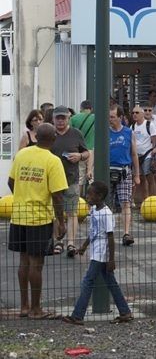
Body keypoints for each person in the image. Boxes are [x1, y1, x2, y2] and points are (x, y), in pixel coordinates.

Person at [7, 123, 67, 319]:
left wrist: (23, 195)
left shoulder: (22, 154)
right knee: (36, 264)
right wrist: (61, 221)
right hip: (39, 218)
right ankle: (35, 309)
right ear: (54, 139)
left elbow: (11, 181)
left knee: (23, 261)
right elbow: (58, 195)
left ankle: (24, 306)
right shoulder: (53, 161)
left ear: (36, 137)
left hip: (18, 215)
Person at [62, 181, 133, 325]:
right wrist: (84, 246)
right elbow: (93, 231)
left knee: (88, 281)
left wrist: (111, 259)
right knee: (110, 282)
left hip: (102, 253)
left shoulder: (106, 214)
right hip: (96, 251)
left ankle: (77, 315)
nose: (87, 196)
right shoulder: (94, 209)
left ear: (99, 196)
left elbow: (110, 237)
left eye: (90, 194)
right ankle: (125, 312)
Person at [50, 105, 90, 257]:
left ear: (68, 119)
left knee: (72, 212)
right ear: (53, 119)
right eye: (57, 118)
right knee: (54, 212)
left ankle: (71, 243)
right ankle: (57, 241)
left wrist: (79, 157)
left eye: (63, 118)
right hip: (52, 180)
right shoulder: (49, 133)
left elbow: (86, 152)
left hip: (71, 178)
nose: (60, 121)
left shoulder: (76, 133)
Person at [108, 105, 142, 246]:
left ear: (120, 117)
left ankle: (126, 233)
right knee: (107, 204)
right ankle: (107, 232)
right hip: (108, 169)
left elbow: (134, 154)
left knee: (126, 202)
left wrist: (137, 174)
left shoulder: (129, 133)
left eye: (113, 117)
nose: (110, 120)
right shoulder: (105, 133)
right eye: (109, 117)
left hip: (124, 170)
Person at [131, 104, 156, 203]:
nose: (134, 114)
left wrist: (153, 153)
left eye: (137, 112)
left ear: (142, 114)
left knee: (149, 176)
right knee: (141, 178)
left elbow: (154, 139)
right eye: (133, 112)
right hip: (136, 155)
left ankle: (153, 200)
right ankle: (145, 200)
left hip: (147, 153)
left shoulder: (149, 124)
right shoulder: (132, 126)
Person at [70, 100, 95, 194]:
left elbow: (70, 134)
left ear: (81, 108)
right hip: (92, 150)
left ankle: (79, 201)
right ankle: (92, 202)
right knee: (91, 177)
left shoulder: (73, 118)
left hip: (80, 151)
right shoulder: (96, 118)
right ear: (91, 109)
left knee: (80, 178)